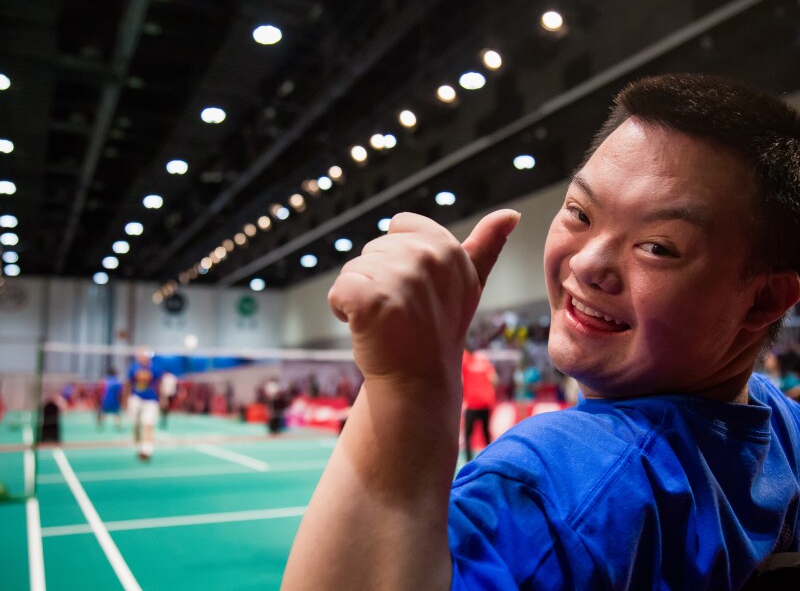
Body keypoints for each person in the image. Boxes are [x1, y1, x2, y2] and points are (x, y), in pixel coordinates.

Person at [282, 73, 800, 590]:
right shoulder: (782, 428)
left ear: (765, 300)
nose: (588, 263)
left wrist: (404, 387)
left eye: (658, 247)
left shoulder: (560, 488)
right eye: (580, 212)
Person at [125, 347, 162, 460]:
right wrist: (125, 399)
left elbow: (159, 384)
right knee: (136, 424)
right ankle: (138, 441)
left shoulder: (155, 368)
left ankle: (146, 450)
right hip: (136, 399)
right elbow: (128, 383)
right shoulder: (133, 368)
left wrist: (162, 398)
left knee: (148, 424)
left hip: (151, 400)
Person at [461, 348, 497, 461]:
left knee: (468, 435)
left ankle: (468, 460)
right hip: (485, 404)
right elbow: (494, 379)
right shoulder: (485, 363)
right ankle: (489, 458)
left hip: (472, 404)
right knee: (486, 434)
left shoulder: (468, 363)